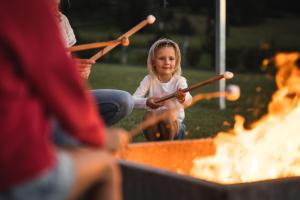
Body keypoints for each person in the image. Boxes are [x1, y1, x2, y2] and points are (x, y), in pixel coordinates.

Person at [0, 0, 127, 200]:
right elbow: (59, 83)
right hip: (13, 166)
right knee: (107, 168)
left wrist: (76, 71)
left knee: (121, 101)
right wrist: (103, 137)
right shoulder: (26, 6)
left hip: (42, 114)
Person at [55, 0, 133, 126]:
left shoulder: (62, 21)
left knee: (124, 101)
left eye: (57, 5)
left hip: (68, 97)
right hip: (42, 105)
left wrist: (79, 73)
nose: (56, 11)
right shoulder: (20, 26)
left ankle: (82, 136)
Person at [133, 38, 193, 141]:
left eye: (171, 58)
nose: (167, 62)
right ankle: (154, 149)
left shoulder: (179, 81)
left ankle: (168, 148)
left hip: (175, 126)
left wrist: (182, 97)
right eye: (161, 58)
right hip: (154, 127)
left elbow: (189, 101)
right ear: (153, 62)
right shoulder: (149, 79)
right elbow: (133, 100)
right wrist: (147, 102)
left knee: (168, 114)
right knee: (149, 116)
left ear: (176, 61)